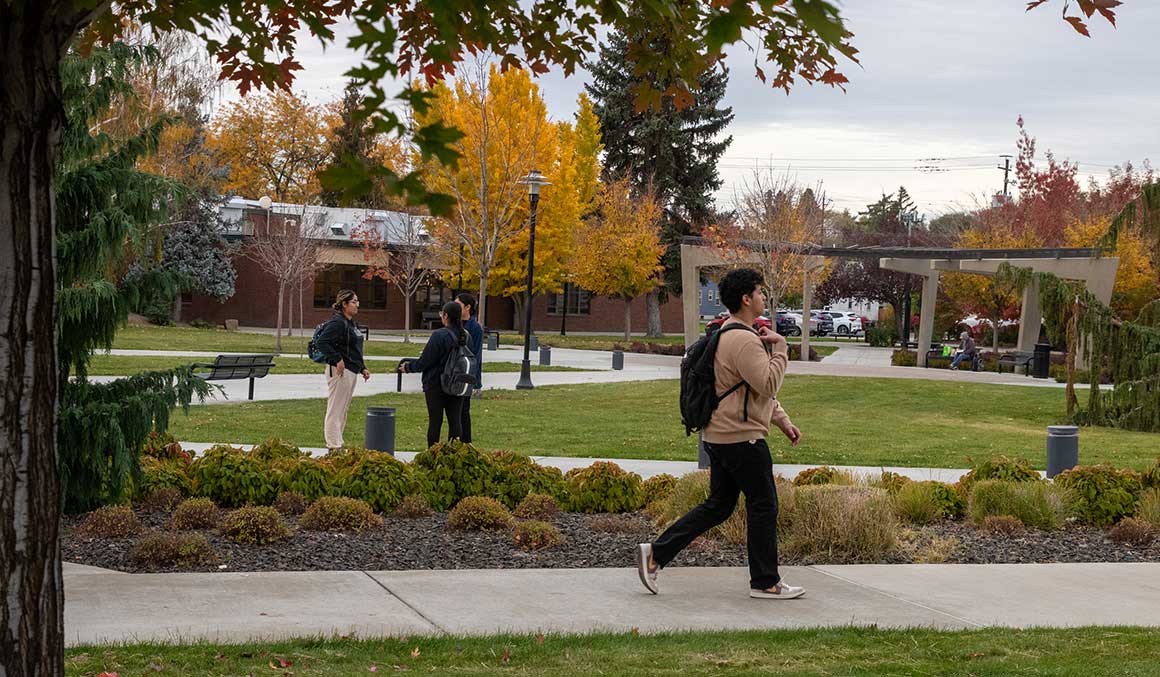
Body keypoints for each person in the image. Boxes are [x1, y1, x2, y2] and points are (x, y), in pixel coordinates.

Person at [637, 268, 806, 600]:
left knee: (719, 505)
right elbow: (767, 383)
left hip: (720, 436)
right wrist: (783, 349)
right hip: (742, 439)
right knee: (764, 505)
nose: (764, 297)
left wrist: (782, 421)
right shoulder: (743, 339)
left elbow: (748, 392)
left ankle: (656, 554)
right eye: (760, 292)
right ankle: (765, 582)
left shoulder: (728, 334)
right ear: (746, 298)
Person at [400, 300, 468, 447]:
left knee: (435, 421)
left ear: (445, 316)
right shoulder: (465, 336)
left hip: (436, 383)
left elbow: (425, 361)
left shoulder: (439, 335)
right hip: (457, 382)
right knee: (455, 420)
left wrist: (408, 367)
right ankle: (454, 454)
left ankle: (433, 453)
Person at [317, 289, 370, 450]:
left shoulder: (349, 323)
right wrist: (337, 359)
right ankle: (333, 446)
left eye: (357, 301)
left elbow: (354, 349)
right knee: (335, 409)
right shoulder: (338, 322)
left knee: (343, 409)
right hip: (340, 371)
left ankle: (338, 442)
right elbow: (323, 342)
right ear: (344, 304)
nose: (357, 305)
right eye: (354, 302)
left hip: (351, 370)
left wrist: (362, 368)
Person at [456, 292, 484, 443]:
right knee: (453, 412)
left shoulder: (475, 328)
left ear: (467, 307)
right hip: (452, 375)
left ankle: (465, 443)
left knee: (463, 411)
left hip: (465, 374)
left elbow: (476, 355)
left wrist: (475, 380)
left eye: (458, 305)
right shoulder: (454, 324)